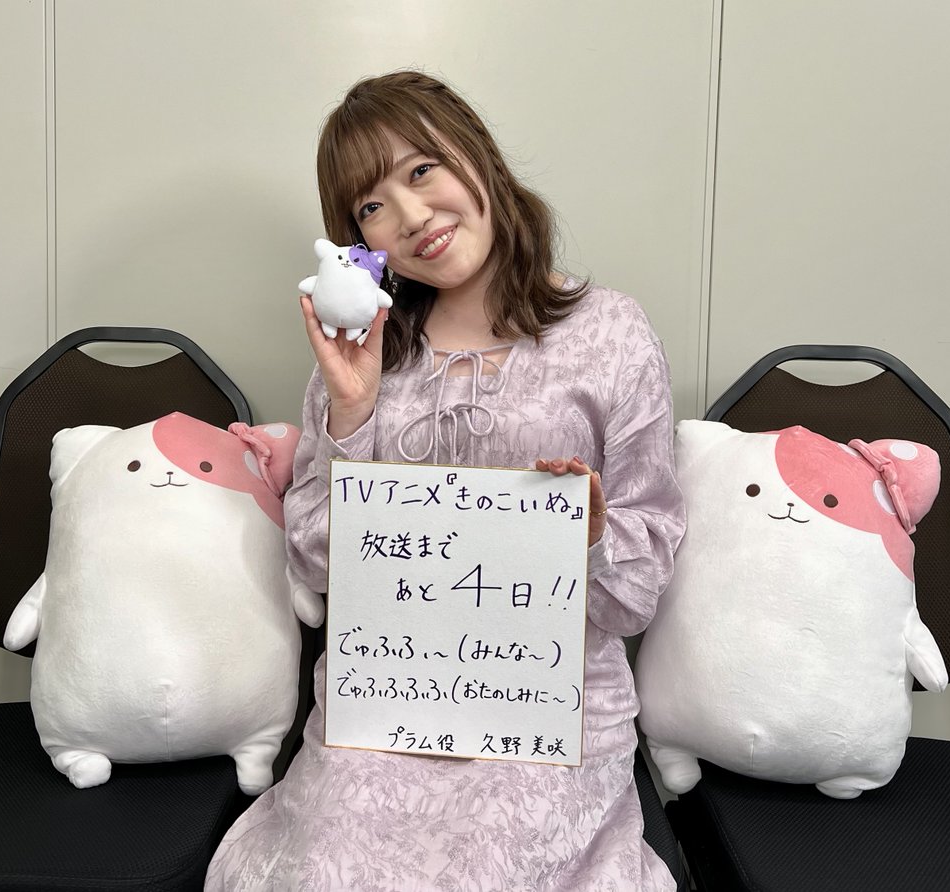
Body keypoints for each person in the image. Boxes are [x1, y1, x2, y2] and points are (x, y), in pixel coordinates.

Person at [206, 70, 686, 891]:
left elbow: (637, 594)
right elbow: (317, 566)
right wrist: (352, 414)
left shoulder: (610, 332)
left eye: (422, 169)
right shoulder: (363, 351)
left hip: (549, 723)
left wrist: (592, 537)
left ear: (478, 155)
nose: (410, 215)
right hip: (381, 714)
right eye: (371, 206)